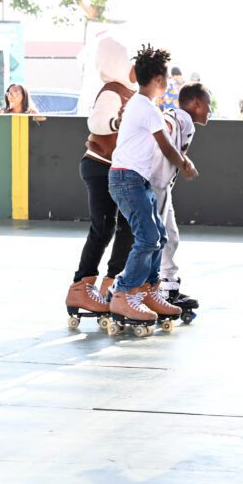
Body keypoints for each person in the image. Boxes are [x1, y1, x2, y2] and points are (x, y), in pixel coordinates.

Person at [106, 45, 199, 329]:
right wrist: (185, 165)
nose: (169, 83)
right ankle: (122, 292)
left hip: (136, 179)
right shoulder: (146, 108)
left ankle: (147, 290)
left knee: (158, 235)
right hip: (126, 178)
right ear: (158, 80)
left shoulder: (141, 106)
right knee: (147, 237)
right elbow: (166, 146)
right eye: (167, 79)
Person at [63, 37, 139, 323]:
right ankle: (81, 286)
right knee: (104, 226)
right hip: (100, 165)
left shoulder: (130, 93)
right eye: (129, 63)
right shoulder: (112, 91)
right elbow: (95, 122)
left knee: (127, 226)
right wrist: (119, 123)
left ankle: (112, 281)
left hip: (116, 167)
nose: (134, 68)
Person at [152, 82, 212, 309]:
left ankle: (167, 286)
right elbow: (166, 125)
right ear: (196, 103)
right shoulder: (181, 118)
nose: (209, 111)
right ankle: (141, 288)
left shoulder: (180, 118)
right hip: (155, 183)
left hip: (161, 184)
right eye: (207, 105)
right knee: (156, 237)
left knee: (170, 235)